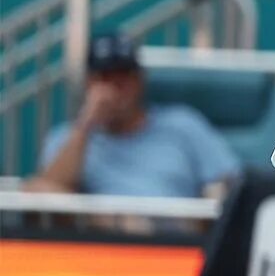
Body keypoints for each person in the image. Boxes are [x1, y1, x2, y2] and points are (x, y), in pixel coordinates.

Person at [26, 34, 241, 200]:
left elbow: (231, 183)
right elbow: (45, 198)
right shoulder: (67, 138)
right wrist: (86, 125)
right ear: (88, 84)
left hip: (178, 245)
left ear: (141, 80)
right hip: (102, 246)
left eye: (124, 77)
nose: (116, 89)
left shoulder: (183, 125)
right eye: (105, 78)